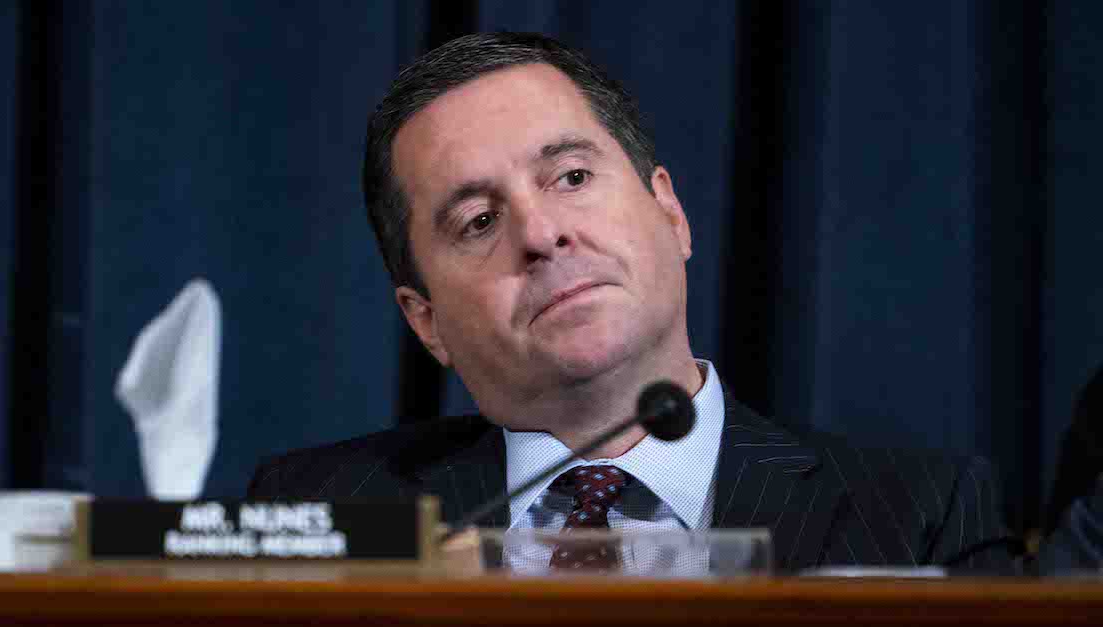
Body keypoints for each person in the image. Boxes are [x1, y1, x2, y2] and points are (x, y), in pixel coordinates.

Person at [247, 32, 1014, 573]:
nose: (541, 233)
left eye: (572, 177)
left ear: (671, 214)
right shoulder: (316, 512)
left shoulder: (922, 514)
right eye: (479, 221)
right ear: (425, 320)